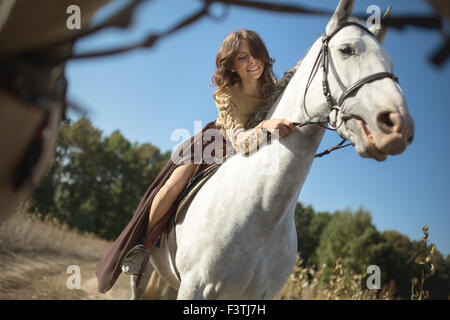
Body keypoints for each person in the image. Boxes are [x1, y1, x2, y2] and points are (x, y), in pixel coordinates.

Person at [95, 29, 296, 294]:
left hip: (257, 144)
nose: (252, 63)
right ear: (232, 66)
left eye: (256, 55)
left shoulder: (274, 88)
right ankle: (143, 247)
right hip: (219, 142)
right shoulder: (225, 95)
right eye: (243, 58)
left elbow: (301, 74)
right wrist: (266, 126)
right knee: (174, 184)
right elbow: (239, 141)